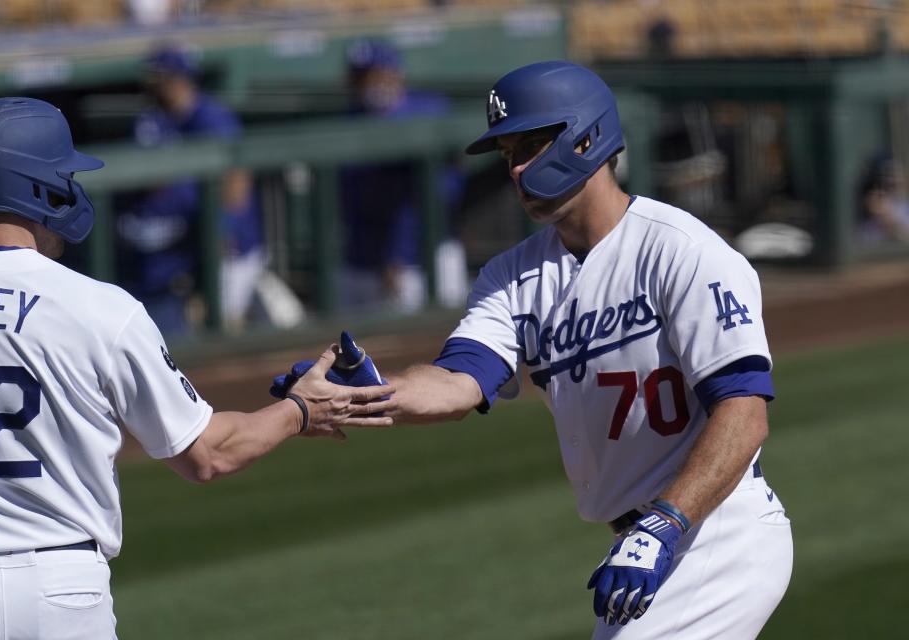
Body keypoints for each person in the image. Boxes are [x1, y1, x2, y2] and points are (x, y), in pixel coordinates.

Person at [281, 61, 793, 638]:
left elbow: (744, 415)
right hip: (652, 541)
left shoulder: (681, 251)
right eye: (506, 155)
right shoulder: (513, 277)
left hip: (714, 532)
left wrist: (663, 525)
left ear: (586, 136)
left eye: (529, 145)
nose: (517, 169)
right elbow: (460, 381)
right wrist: (371, 394)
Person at [0, 97, 391, 639]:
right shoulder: (98, 307)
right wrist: (299, 410)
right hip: (60, 588)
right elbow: (207, 454)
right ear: (37, 186)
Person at [120, 44, 273, 333]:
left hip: (230, 247)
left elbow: (237, 183)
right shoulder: (156, 119)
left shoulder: (211, 118)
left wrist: (221, 231)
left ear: (179, 78)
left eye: (160, 78)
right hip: (184, 246)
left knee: (223, 326)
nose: (152, 85)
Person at [339, 38, 468, 312]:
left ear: (395, 73)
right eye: (359, 76)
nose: (368, 84)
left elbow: (445, 190)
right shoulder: (349, 120)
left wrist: (394, 256)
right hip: (363, 261)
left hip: (422, 260)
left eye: (374, 74)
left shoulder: (429, 111)